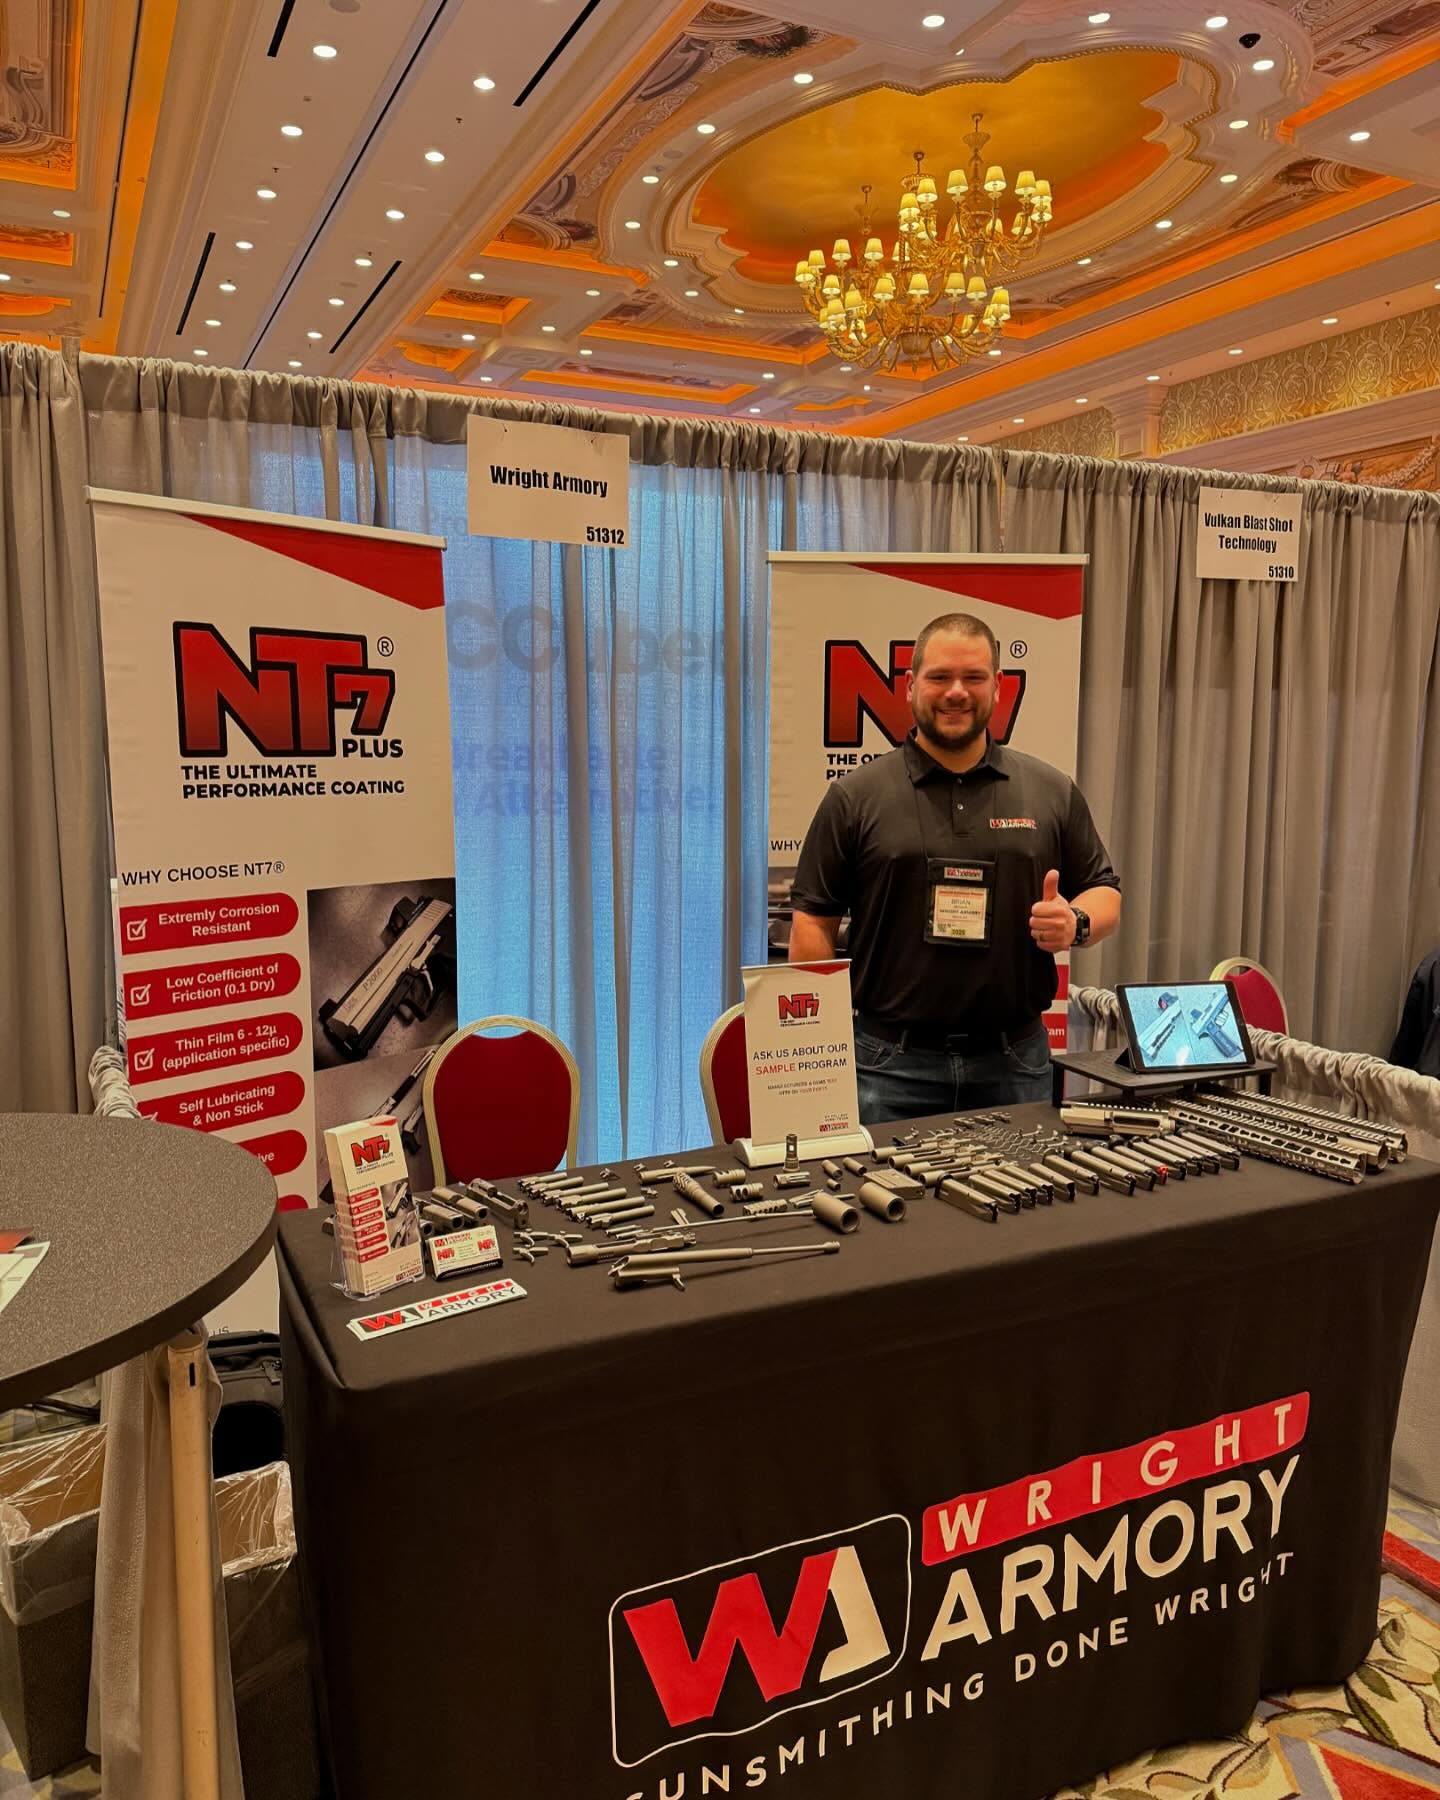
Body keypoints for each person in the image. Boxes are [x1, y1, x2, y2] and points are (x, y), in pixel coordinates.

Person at [788, 609, 1121, 1122]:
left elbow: (1105, 891)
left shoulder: (1050, 791)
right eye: (940, 676)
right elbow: (813, 922)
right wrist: (819, 1052)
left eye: (973, 677)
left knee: (1023, 1179)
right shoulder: (854, 797)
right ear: (910, 685)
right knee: (879, 1181)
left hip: (1015, 1062)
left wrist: (1075, 922)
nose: (956, 692)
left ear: (998, 686)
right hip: (886, 1067)